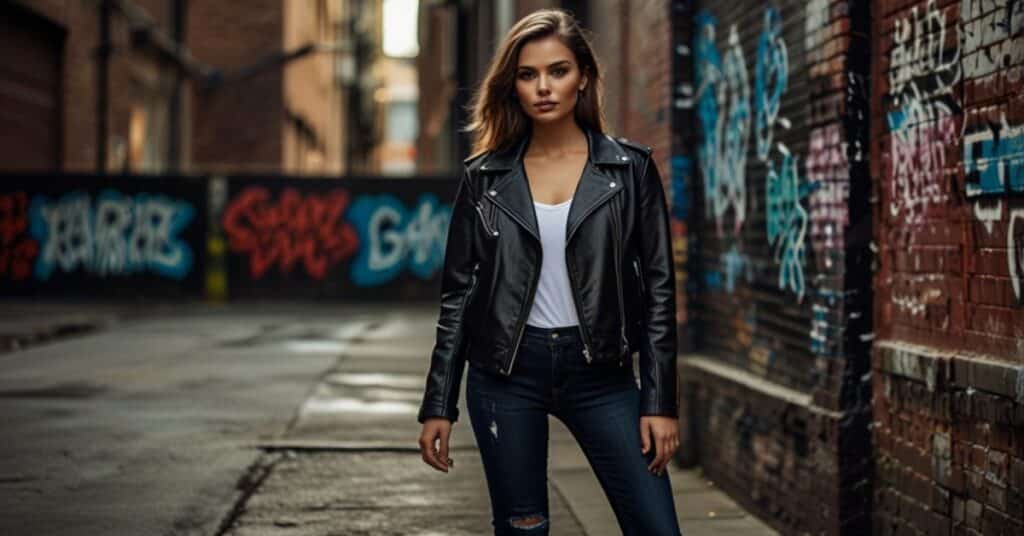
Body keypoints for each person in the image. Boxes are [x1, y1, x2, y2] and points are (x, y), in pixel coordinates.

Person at [416, 8, 681, 535]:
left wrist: (659, 400)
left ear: (583, 76)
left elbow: (659, 292)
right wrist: (438, 403)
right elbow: (459, 296)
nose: (544, 86)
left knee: (656, 526)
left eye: (558, 71)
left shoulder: (629, 171)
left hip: (601, 376)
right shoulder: (484, 178)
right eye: (528, 74)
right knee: (523, 528)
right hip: (506, 377)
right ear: (511, 85)